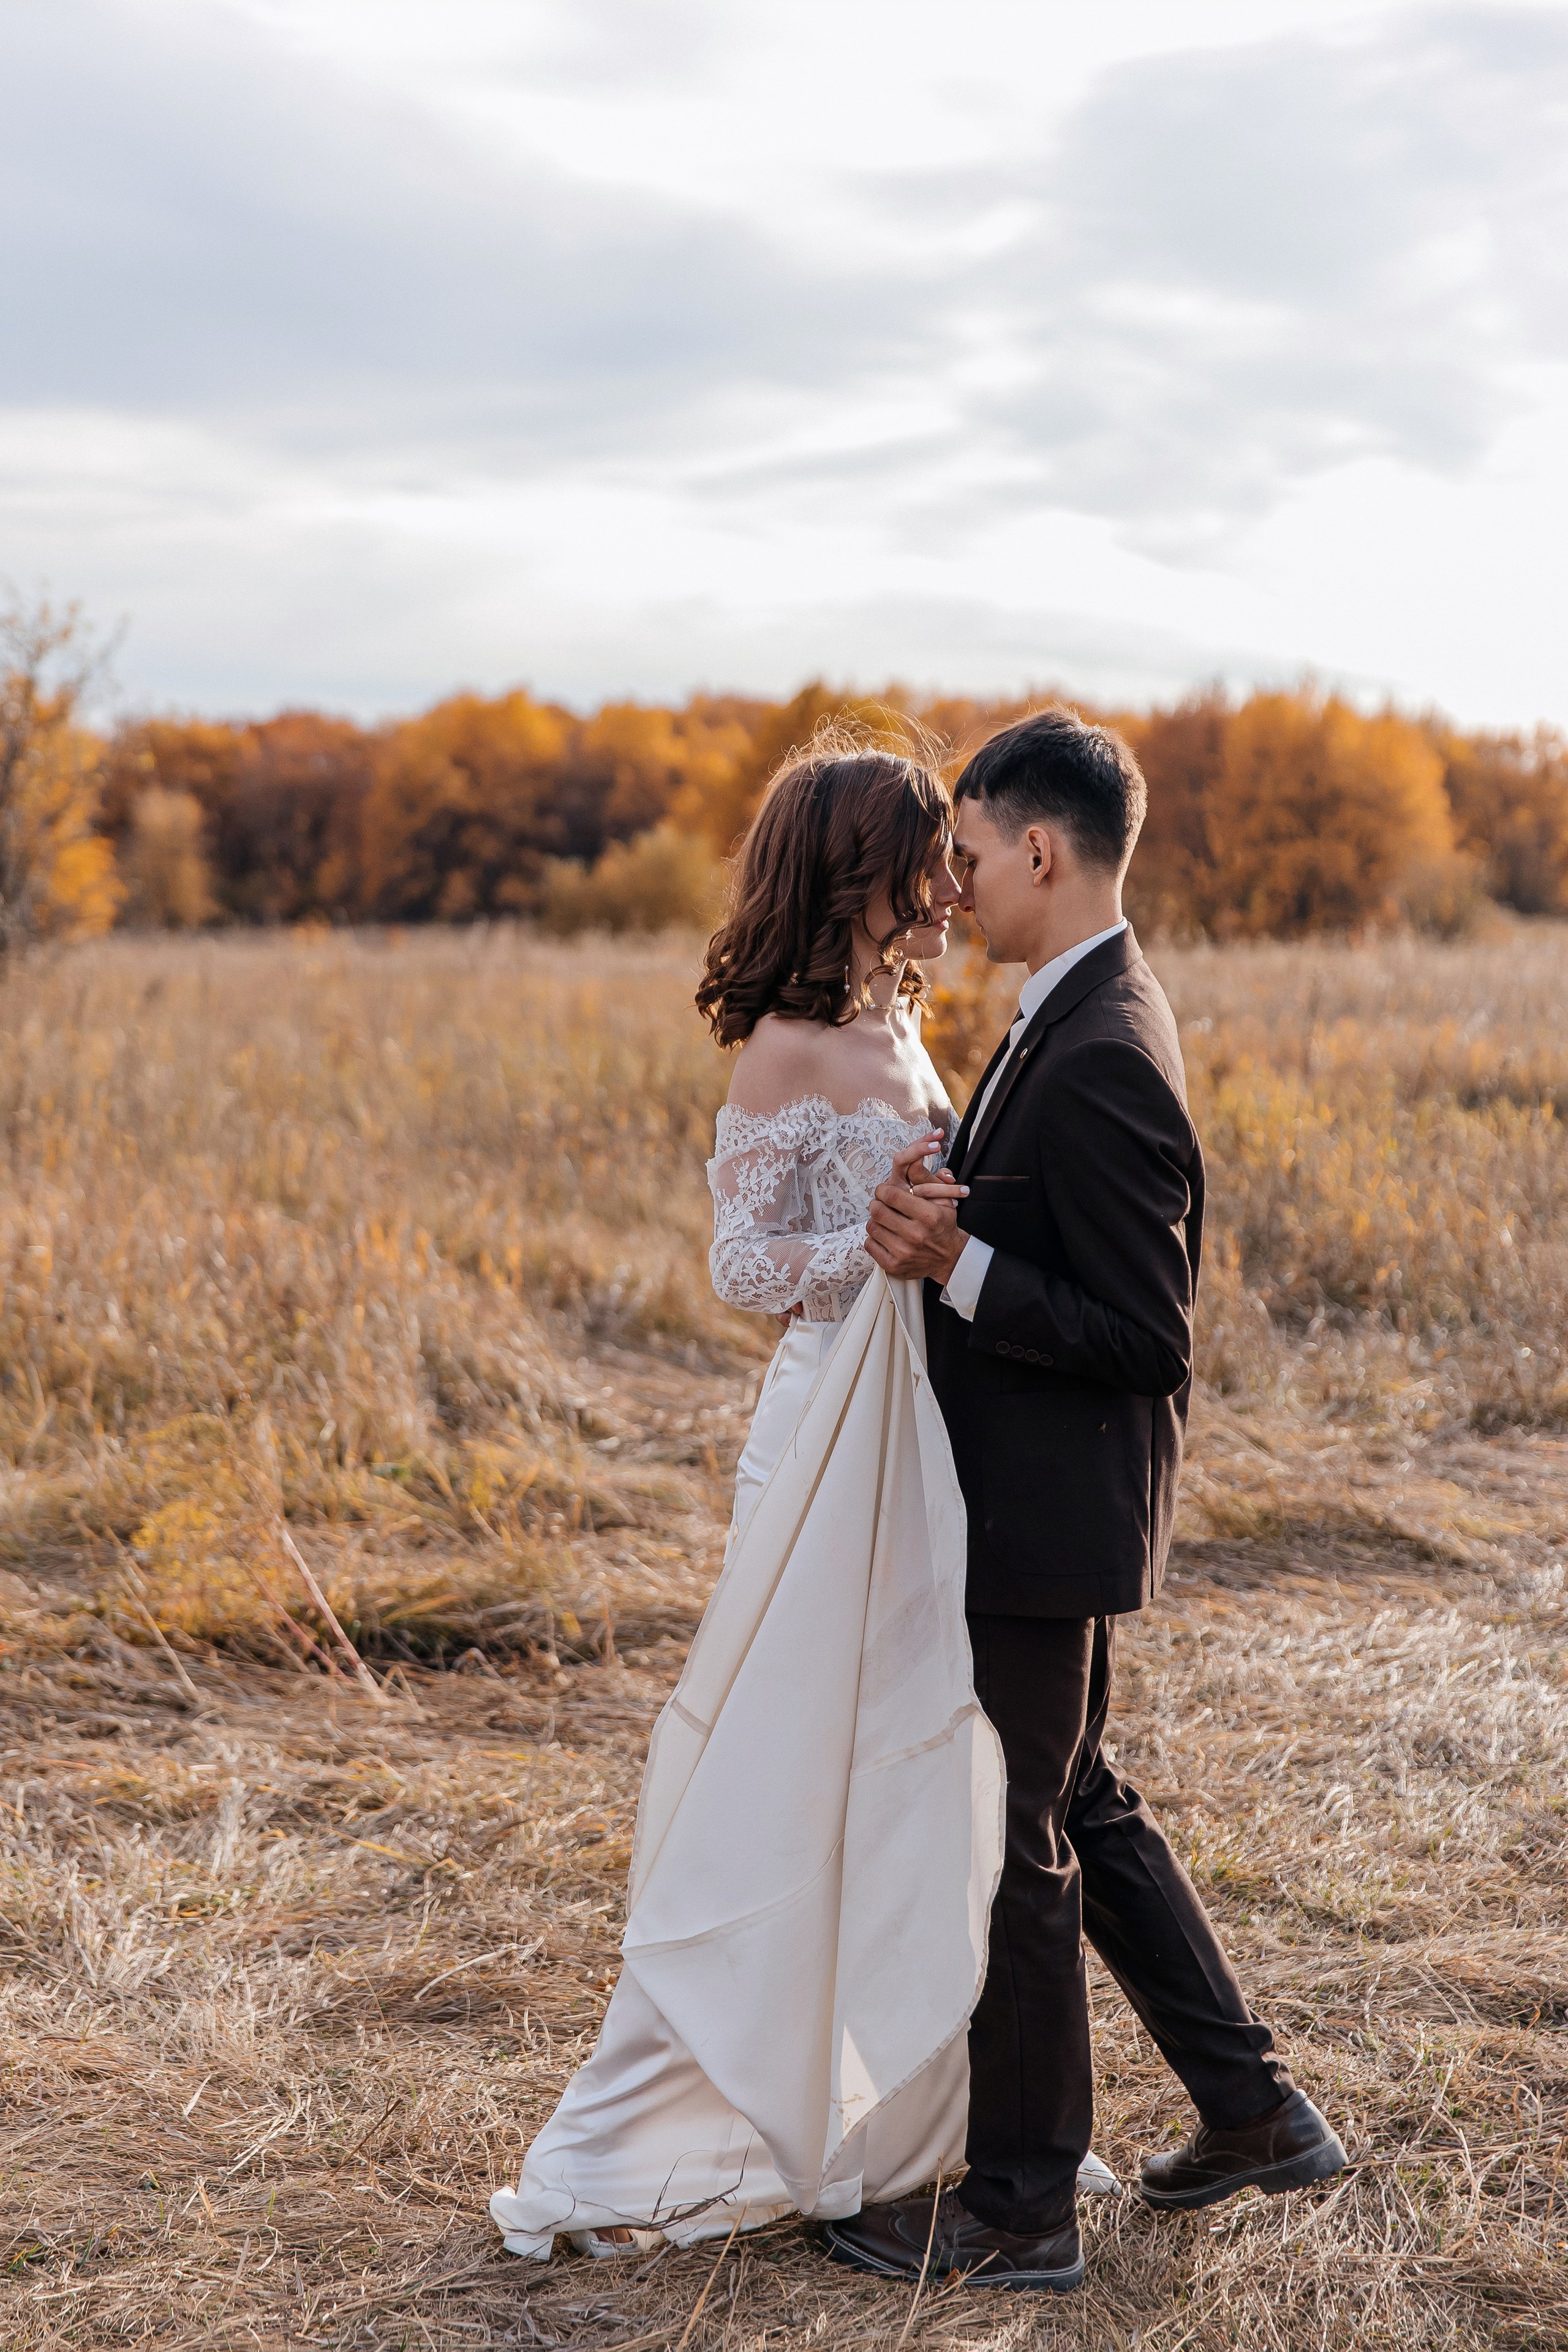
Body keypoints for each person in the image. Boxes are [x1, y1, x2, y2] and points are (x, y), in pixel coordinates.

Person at [489, 731, 1114, 2264]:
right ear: (865, 869)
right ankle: (671, 2112)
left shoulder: (906, 1020)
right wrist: (875, 1246)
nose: (950, 886)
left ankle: (904, 2101)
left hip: (921, 1436)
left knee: (905, 1756)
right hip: (823, 1426)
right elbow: (741, 1269)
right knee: (787, 1759)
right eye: (929, 858)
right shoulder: (782, 1047)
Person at [823, 708, 1345, 2294]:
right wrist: (956, 1212)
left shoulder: (1108, 1047)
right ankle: (1253, 2110)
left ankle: (1025, 2206)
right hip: (1039, 1502)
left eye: (970, 855)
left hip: (1046, 1516)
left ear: (1038, 848)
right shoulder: (1075, 1005)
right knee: (1085, 1804)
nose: (957, 885)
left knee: (1016, 1842)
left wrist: (954, 1264)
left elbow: (1144, 1338)